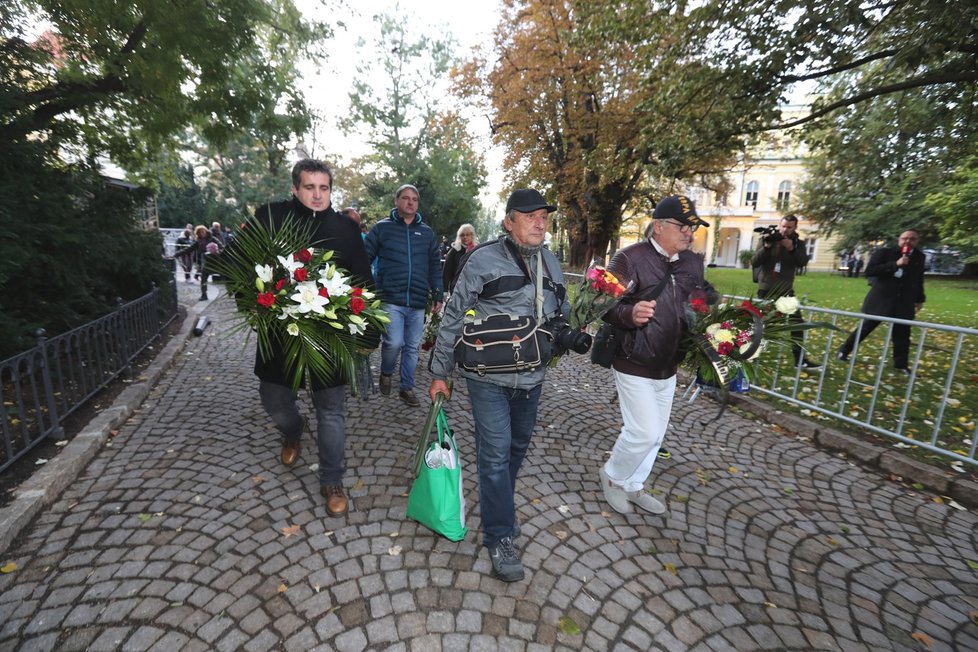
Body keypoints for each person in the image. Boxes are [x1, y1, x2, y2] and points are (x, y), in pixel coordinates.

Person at [428, 188, 570, 582]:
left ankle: (499, 509)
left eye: (544, 215)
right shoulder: (482, 258)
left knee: (517, 448)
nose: (540, 222)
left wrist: (569, 331)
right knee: (494, 454)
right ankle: (499, 535)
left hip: (532, 378)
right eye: (530, 216)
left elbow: (561, 313)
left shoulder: (552, 263)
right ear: (509, 222)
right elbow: (454, 314)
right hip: (486, 378)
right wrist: (440, 373)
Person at [247, 158, 374, 516]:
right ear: (294, 188)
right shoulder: (270, 218)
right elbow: (242, 264)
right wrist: (257, 302)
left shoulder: (346, 230)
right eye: (309, 187)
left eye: (324, 188)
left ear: (331, 190)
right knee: (273, 399)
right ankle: (293, 429)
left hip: (329, 334)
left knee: (331, 410)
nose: (318, 195)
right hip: (281, 330)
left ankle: (332, 479)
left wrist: (369, 332)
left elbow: (363, 282)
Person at [597, 195, 712, 517]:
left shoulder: (692, 262)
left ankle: (634, 485)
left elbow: (698, 300)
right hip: (634, 360)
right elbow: (602, 306)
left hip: (669, 363)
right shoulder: (628, 258)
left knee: (657, 434)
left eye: (693, 227)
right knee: (644, 430)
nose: (689, 233)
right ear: (659, 226)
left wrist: (709, 317)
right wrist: (629, 313)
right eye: (683, 226)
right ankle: (613, 476)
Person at [364, 184, 443, 407]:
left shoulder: (427, 233)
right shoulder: (382, 229)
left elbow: (434, 266)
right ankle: (386, 372)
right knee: (394, 342)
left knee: (412, 346)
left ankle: (406, 388)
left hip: (418, 300)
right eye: (406, 198)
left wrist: (437, 292)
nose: (410, 202)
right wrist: (362, 288)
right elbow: (364, 258)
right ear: (396, 200)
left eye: (414, 199)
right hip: (390, 297)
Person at [836, 229, 925, 375]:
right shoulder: (885, 253)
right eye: (905, 238)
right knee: (865, 329)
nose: (908, 241)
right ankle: (844, 351)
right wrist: (895, 264)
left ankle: (901, 365)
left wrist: (919, 299)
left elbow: (919, 279)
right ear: (899, 239)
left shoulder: (919, 257)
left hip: (904, 301)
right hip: (882, 299)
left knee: (902, 335)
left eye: (912, 239)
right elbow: (870, 271)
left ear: (917, 241)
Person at [750, 214, 820, 369]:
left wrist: (791, 248)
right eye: (783, 226)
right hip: (766, 289)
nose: (785, 230)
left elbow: (802, 262)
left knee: (796, 325)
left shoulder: (798, 243)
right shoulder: (766, 240)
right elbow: (754, 261)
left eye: (789, 227)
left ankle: (800, 360)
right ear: (779, 225)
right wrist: (767, 248)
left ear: (795, 228)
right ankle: (750, 355)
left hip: (786, 290)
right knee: (761, 325)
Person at [442, 223, 478, 296]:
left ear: (472, 235)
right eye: (462, 235)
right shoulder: (454, 251)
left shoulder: (477, 251)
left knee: (471, 308)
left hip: (473, 289)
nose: (465, 237)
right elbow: (446, 272)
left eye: (468, 234)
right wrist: (444, 291)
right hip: (457, 289)